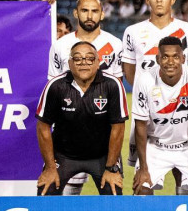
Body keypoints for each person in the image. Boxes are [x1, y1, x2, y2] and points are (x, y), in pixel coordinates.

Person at [121, 0, 188, 171]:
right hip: (147, 112)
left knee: (185, 178)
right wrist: (151, 94)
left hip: (182, 112)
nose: (159, 0)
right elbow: (129, 72)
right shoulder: (132, 31)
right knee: (145, 177)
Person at [47, 0, 124, 196]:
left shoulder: (115, 44)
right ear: (76, 13)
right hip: (68, 136)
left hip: (103, 137)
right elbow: (53, 87)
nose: (89, 15)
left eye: (94, 10)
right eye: (84, 10)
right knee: (63, 191)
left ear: (102, 14)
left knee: (113, 191)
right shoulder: (60, 45)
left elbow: (116, 89)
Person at [35, 41, 127, 195]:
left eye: (90, 58)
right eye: (77, 59)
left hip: (102, 156)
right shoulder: (56, 86)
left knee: (113, 192)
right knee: (46, 190)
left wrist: (111, 168)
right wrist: (50, 168)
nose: (84, 63)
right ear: (69, 63)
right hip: (64, 155)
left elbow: (118, 128)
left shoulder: (112, 85)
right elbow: (43, 127)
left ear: (98, 62)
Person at [131, 37, 188, 195]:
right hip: (156, 146)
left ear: (183, 58)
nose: (170, 62)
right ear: (157, 59)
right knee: (142, 190)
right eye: (165, 57)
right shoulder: (145, 80)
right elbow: (140, 126)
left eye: (175, 56)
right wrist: (143, 169)